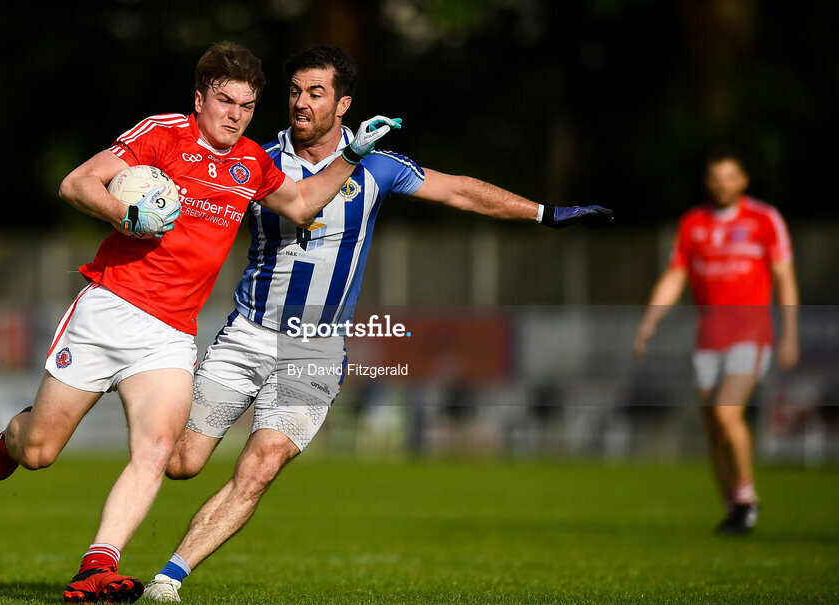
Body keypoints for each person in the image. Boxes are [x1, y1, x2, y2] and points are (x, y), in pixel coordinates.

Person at [143, 45, 614, 602]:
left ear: (344, 104)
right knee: (181, 463)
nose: (301, 102)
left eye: (316, 93)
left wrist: (543, 213)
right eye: (295, 91)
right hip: (247, 333)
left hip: (316, 345)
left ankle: (169, 578)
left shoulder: (377, 165)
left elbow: (460, 190)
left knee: (263, 461)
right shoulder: (255, 160)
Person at [0, 41, 400, 605]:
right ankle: (11, 440)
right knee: (40, 452)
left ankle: (95, 570)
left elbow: (302, 206)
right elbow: (77, 184)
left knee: (158, 450)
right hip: (109, 309)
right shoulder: (163, 133)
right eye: (225, 101)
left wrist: (351, 155)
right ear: (200, 98)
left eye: (248, 106)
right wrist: (126, 214)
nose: (235, 115)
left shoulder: (252, 161)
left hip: (171, 334)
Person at [634, 147, 800, 534]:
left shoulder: (764, 219)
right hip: (709, 338)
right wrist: (649, 320)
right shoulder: (693, 223)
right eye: (715, 177)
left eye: (730, 176)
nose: (723, 184)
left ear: (743, 180)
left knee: (727, 414)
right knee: (713, 427)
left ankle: (747, 497)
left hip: (752, 332)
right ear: (707, 181)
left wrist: (791, 332)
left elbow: (785, 277)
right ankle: (734, 509)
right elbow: (676, 275)